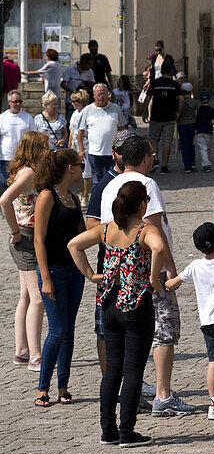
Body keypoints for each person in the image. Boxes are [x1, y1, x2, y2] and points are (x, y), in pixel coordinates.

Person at [100, 134, 194, 417]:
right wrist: (170, 268)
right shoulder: (146, 184)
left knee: (131, 337)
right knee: (164, 330)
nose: (153, 159)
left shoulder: (108, 187)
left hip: (119, 271)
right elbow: (154, 230)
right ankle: (163, 395)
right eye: (151, 154)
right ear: (144, 158)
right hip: (147, 270)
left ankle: (135, 391)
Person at [69, 179, 167, 447]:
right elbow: (159, 247)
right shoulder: (144, 230)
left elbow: (74, 245)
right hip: (136, 303)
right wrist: (154, 279)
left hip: (110, 302)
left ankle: (108, 430)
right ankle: (127, 430)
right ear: (143, 204)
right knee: (133, 369)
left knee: (112, 368)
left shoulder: (107, 229)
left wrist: (91, 274)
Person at [164, 223, 214, 423]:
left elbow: (172, 284)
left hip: (207, 322)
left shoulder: (195, 266)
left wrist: (165, 282)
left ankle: (213, 405)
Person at [33, 147, 86, 407]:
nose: (81, 169)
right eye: (79, 165)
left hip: (73, 272)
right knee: (57, 330)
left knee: (69, 330)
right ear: (69, 168)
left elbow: (82, 237)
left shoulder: (74, 198)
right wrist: (44, 277)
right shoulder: (47, 196)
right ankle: (42, 387)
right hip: (52, 269)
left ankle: (63, 387)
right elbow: (38, 239)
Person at [1, 131, 49, 371]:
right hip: (26, 237)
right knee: (38, 298)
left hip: (27, 236)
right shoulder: (29, 172)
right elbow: (4, 200)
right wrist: (14, 230)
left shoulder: (23, 169)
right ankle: (35, 355)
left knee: (26, 297)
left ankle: (21, 351)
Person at [85, 131, 129, 375]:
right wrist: (123, 231)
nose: (126, 155)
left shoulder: (136, 180)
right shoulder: (104, 185)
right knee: (106, 327)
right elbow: (90, 226)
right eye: (122, 150)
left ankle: (131, 379)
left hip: (134, 266)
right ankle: (108, 378)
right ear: (114, 153)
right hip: (110, 266)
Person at [78, 83, 126, 185]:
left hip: (112, 153)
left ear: (108, 94)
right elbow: (80, 132)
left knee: (114, 180)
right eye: (98, 95)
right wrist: (81, 150)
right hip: (95, 153)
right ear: (94, 96)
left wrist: (121, 147)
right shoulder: (87, 110)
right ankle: (98, 200)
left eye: (104, 94)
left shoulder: (115, 109)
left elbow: (122, 129)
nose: (101, 97)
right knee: (97, 182)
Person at [145, 58, 183, 173]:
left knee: (154, 140)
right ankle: (164, 166)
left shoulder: (155, 83)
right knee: (167, 142)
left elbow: (147, 98)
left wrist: (145, 112)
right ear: (170, 72)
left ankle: (155, 160)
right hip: (169, 117)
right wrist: (179, 112)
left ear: (161, 71)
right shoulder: (174, 84)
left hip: (156, 116)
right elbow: (181, 99)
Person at [0, 91, 36, 186]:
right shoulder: (2, 117)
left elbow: (33, 137)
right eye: (15, 101)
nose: (18, 104)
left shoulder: (27, 117)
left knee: (21, 184)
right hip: (6, 157)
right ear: (9, 102)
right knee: (5, 184)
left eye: (20, 101)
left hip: (23, 157)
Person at [69, 89, 92, 208]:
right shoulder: (74, 113)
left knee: (86, 172)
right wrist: (69, 146)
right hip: (75, 145)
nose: (72, 104)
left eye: (75, 102)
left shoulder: (86, 112)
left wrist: (81, 148)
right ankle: (82, 192)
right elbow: (71, 131)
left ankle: (86, 195)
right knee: (75, 172)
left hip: (85, 145)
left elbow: (81, 132)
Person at [60, 53, 95, 123]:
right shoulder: (71, 69)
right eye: (89, 64)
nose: (91, 66)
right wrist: (72, 91)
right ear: (84, 63)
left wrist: (86, 86)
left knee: (83, 122)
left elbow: (93, 85)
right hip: (71, 101)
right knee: (70, 122)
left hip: (84, 102)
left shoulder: (90, 72)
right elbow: (62, 84)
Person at [194, 90, 214, 171]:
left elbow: (195, 118)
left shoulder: (198, 109)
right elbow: (213, 121)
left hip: (200, 131)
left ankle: (206, 164)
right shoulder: (211, 110)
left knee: (202, 148)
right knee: (208, 147)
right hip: (209, 131)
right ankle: (207, 162)